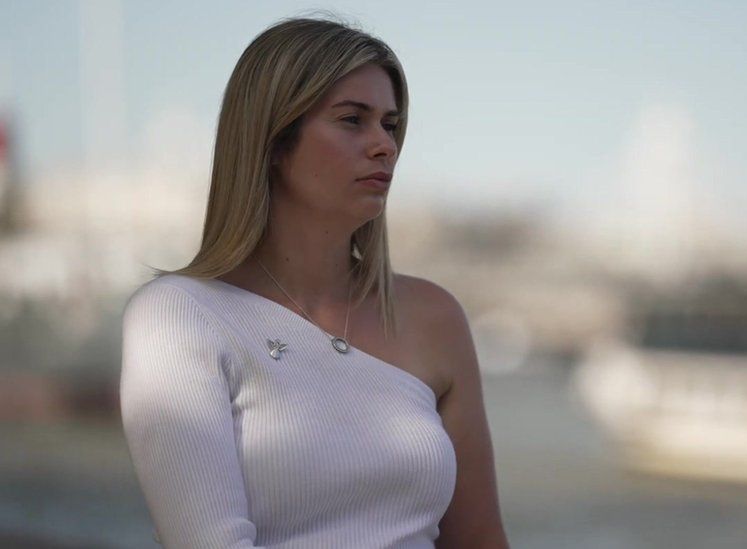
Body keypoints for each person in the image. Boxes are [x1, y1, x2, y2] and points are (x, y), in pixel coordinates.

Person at [119, 15, 509, 548]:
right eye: (353, 120)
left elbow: (479, 539)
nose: (384, 146)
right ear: (274, 140)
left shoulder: (434, 316)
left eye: (390, 125)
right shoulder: (178, 315)